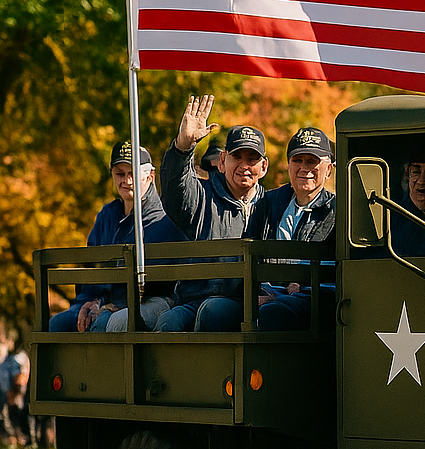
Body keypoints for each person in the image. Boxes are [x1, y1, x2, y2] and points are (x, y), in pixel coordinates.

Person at [155, 95, 268, 331]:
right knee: (169, 321)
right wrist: (182, 147)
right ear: (223, 160)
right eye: (237, 156)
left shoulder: (271, 204)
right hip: (194, 299)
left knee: (213, 312)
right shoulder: (203, 196)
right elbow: (175, 191)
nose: (244, 165)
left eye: (252, 159)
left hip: (247, 303)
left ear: (264, 167)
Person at [48, 142, 185, 333]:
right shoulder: (107, 216)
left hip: (146, 302)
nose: (126, 180)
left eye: (133, 174)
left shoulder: (164, 219)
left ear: (150, 176)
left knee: (104, 324)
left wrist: (107, 305)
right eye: (120, 174)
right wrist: (90, 302)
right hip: (104, 301)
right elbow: (91, 269)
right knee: (58, 324)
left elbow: (159, 285)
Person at [245, 126, 336, 330]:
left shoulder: (337, 211)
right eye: (297, 160)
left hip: (313, 300)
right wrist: (260, 291)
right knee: (215, 311)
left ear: (328, 169)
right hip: (265, 293)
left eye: (312, 161)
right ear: (288, 165)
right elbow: (250, 253)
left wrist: (303, 286)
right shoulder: (268, 204)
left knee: (272, 312)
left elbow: (337, 274)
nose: (304, 167)